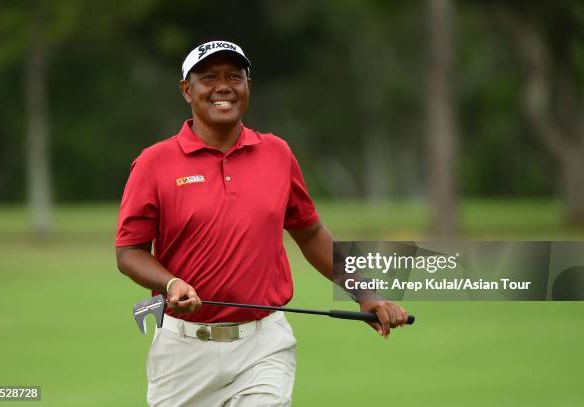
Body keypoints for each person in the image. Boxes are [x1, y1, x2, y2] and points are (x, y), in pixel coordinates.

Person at [116, 39, 409, 407]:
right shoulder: (153, 164)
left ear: (248, 88)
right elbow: (129, 252)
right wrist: (170, 282)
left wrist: (365, 292)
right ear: (186, 90)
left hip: (263, 346)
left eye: (234, 77)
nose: (223, 86)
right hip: (183, 350)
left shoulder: (277, 154)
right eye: (209, 78)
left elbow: (311, 232)